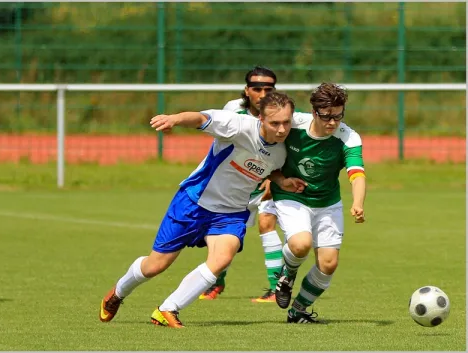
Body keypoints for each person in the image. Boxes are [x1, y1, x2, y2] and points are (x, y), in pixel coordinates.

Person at [99, 92, 305, 328]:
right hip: (194, 202)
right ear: (260, 118)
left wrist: (281, 181)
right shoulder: (237, 125)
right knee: (155, 265)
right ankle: (117, 293)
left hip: (232, 212)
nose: (281, 129)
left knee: (222, 259)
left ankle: (168, 309)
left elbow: (271, 167)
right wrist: (175, 119)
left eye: (286, 122)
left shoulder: (284, 148)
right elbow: (201, 118)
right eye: (274, 123)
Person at [271, 83, 366, 323]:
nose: (333, 122)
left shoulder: (348, 137)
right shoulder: (292, 124)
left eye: (337, 116)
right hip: (293, 196)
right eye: (326, 116)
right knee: (301, 244)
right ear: (314, 112)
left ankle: (298, 310)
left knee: (328, 263)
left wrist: (358, 202)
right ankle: (287, 274)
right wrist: (276, 178)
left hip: (327, 201)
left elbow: (357, 173)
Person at [200, 66, 284, 303]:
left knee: (267, 223)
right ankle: (216, 282)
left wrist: (272, 177)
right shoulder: (233, 109)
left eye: (268, 88)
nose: (263, 93)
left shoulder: (283, 113)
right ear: (247, 91)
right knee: (220, 232)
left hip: (266, 181)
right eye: (257, 88)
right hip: (235, 184)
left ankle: (275, 288)